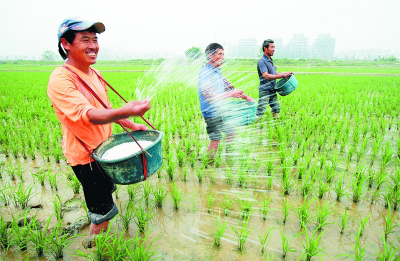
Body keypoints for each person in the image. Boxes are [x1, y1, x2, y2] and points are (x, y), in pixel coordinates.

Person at [47, 18, 150, 236]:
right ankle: (96, 247)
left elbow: (105, 108)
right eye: (85, 40)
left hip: (105, 151)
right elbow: (89, 115)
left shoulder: (95, 74)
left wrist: (130, 124)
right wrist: (126, 111)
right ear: (66, 44)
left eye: (95, 40)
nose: (93, 46)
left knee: (105, 197)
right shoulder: (61, 79)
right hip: (87, 159)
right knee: (102, 211)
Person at [198, 43, 254, 159]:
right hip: (211, 113)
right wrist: (231, 94)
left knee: (231, 132)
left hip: (221, 111)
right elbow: (210, 97)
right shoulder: (205, 73)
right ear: (210, 56)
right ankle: (208, 163)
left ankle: (228, 155)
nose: (223, 57)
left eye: (223, 54)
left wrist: (246, 97)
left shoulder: (217, 71)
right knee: (216, 140)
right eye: (220, 54)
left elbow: (230, 88)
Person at [255, 39, 292, 120]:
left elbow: (273, 73)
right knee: (260, 110)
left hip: (272, 89)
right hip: (265, 90)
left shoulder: (270, 60)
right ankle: (254, 126)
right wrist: (281, 76)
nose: (274, 49)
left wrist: (285, 75)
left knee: (276, 108)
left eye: (274, 47)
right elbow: (266, 75)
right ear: (265, 48)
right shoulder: (262, 61)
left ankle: (276, 126)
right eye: (272, 47)